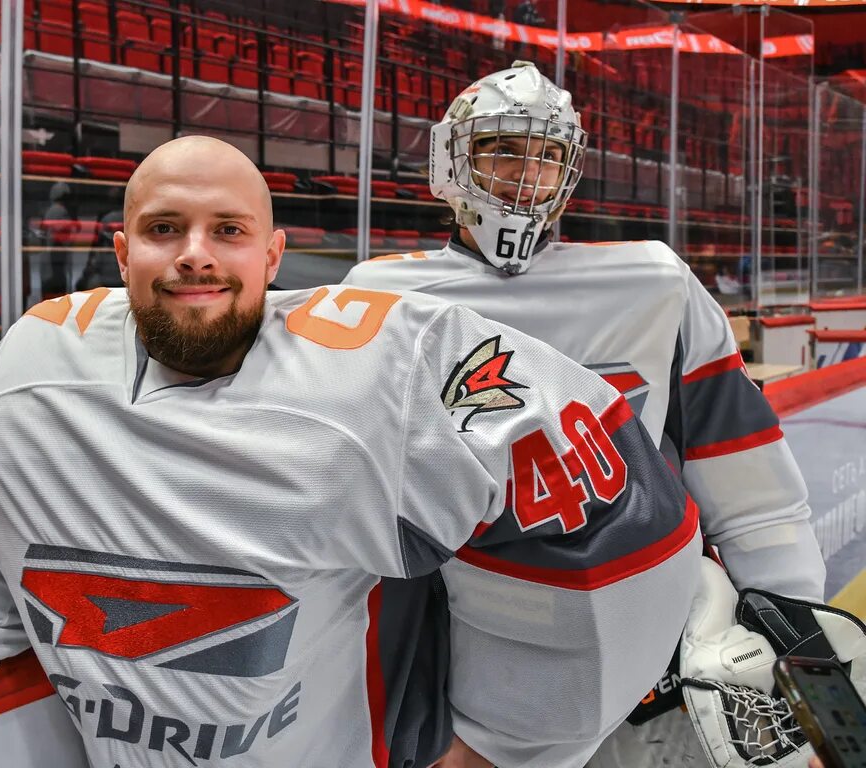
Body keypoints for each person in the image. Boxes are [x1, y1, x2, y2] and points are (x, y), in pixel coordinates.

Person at [0, 136, 701, 768]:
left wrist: (500, 747)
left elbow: (620, 523)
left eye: (226, 230)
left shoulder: (393, 367)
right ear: (122, 255)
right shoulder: (31, 366)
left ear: (272, 257)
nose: (195, 252)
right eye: (164, 229)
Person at [343, 61, 827, 768]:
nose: (525, 173)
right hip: (465, 652)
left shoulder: (656, 284)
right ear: (452, 160)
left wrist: (795, 632)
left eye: (547, 155)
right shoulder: (381, 301)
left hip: (647, 653)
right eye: (502, 149)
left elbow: (749, 478)